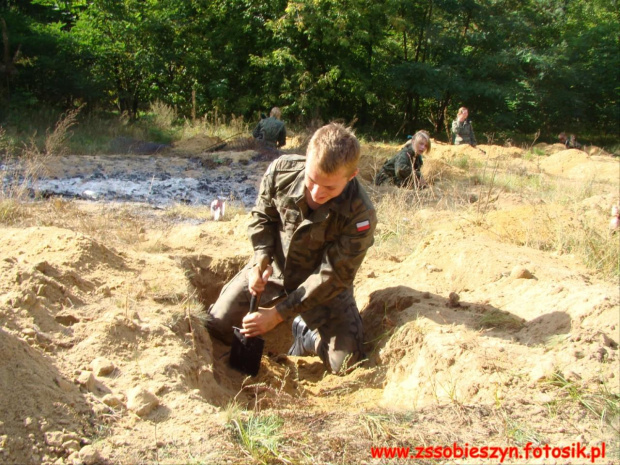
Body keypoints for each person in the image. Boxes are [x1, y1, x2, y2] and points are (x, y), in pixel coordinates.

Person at [207, 123, 377, 373]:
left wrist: (277, 315)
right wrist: (260, 259)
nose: (317, 193)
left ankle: (305, 333)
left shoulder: (360, 213)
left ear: (351, 176)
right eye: (311, 179)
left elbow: (333, 276)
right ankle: (289, 316)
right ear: (306, 160)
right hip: (275, 273)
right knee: (217, 324)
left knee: (346, 364)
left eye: (330, 187)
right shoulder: (282, 171)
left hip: (324, 290)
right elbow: (261, 218)